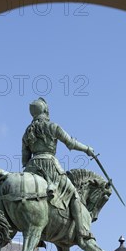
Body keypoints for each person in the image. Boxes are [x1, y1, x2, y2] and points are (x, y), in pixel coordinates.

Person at [22, 97, 95, 240]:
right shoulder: (52, 127)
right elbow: (71, 143)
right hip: (50, 165)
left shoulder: (27, 131)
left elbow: (25, 158)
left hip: (31, 167)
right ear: (45, 110)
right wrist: (87, 149)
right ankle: (81, 230)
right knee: (74, 194)